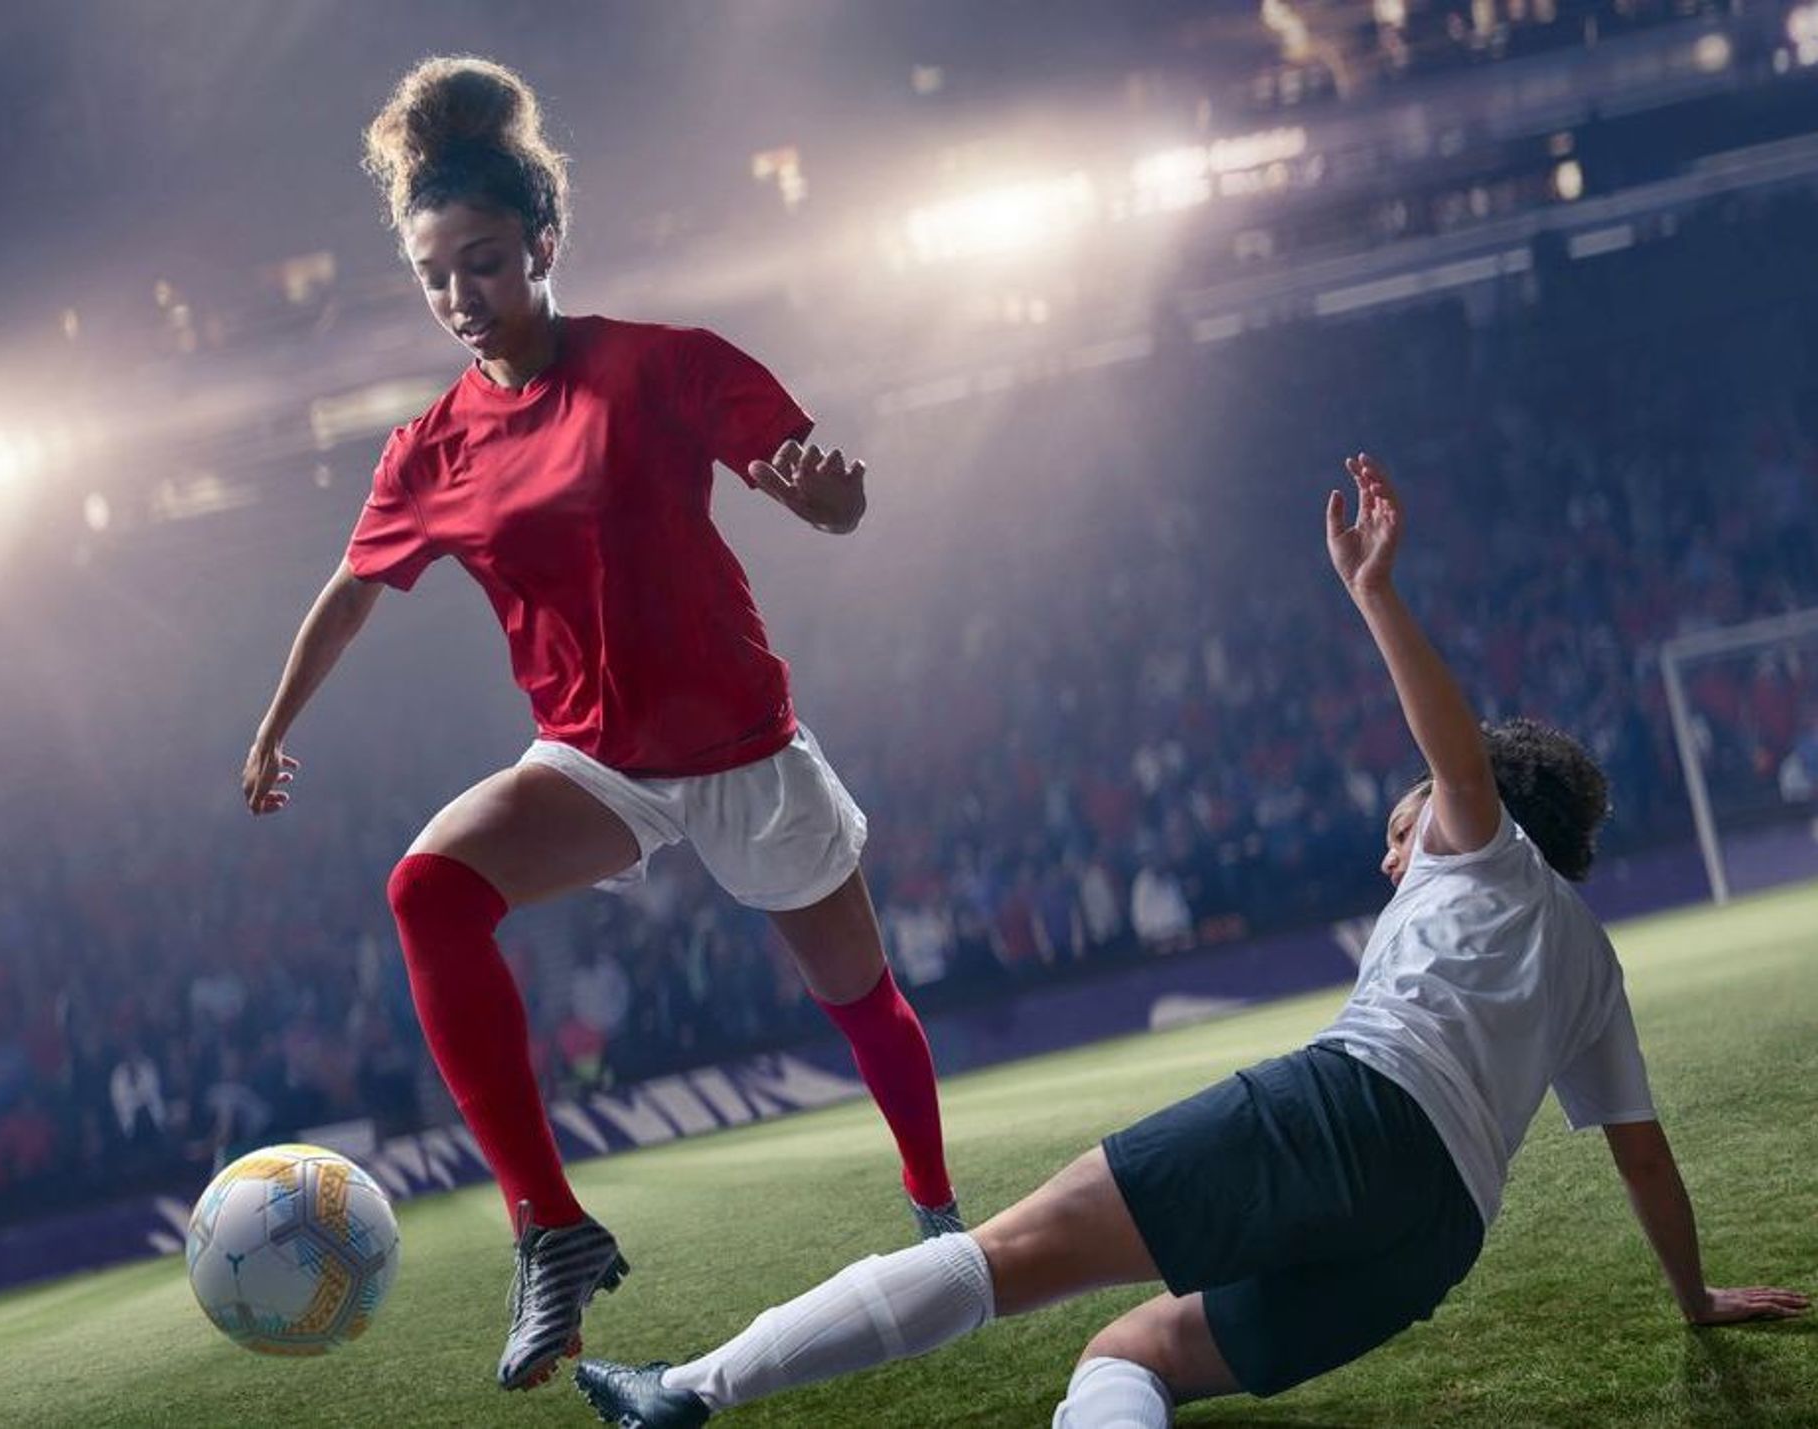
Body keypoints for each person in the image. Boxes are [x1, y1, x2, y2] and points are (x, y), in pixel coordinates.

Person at [575, 454, 1808, 1427]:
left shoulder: (1478, 837)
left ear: (1458, 797)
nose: (1394, 855)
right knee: (1131, 1351)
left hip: (1346, 1114)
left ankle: (688, 1389)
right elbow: (1640, 1159)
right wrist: (1692, 1296)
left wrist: (1373, 592)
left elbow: (1447, 748)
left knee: (999, 1257)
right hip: (1434, 1238)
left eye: (1402, 825)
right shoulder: (1592, 962)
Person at [238, 55, 959, 1392]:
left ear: (545, 243)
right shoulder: (429, 453)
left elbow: (819, 487)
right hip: (596, 765)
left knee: (860, 1002)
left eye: (488, 262)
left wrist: (829, 503)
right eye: (438, 275)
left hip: (746, 752)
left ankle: (934, 1209)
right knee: (428, 890)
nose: (464, 296)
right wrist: (277, 723)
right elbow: (351, 594)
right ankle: (553, 1229)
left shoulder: (663, 367)